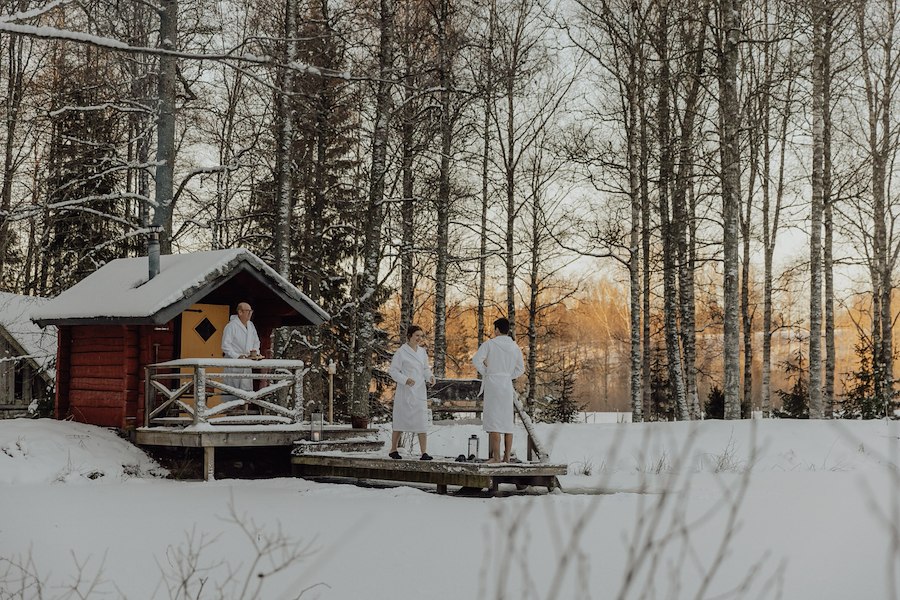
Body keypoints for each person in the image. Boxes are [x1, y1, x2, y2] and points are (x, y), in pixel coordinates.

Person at [472, 317, 525, 463]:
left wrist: (487, 371)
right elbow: (521, 369)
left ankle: (496, 457)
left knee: (494, 420)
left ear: (497, 329)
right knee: (507, 421)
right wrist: (508, 375)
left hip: (493, 383)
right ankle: (506, 457)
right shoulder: (515, 347)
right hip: (506, 384)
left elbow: (476, 360)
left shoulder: (490, 344)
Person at [387, 325, 436, 460]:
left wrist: (430, 376)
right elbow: (393, 371)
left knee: (421, 420)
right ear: (409, 336)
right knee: (400, 420)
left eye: (421, 336)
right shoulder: (401, 352)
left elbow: (425, 368)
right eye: (417, 336)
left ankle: (424, 452)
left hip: (419, 390)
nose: (419, 338)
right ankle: (393, 449)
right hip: (405, 391)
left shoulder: (422, 352)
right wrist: (405, 379)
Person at [221, 301, 261, 394]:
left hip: (247, 364)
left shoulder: (251, 326)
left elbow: (256, 341)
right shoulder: (231, 326)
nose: (250, 314)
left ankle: (245, 408)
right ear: (240, 312)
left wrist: (255, 351)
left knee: (246, 393)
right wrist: (237, 356)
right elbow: (225, 345)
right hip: (233, 365)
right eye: (248, 311)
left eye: (251, 311)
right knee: (232, 392)